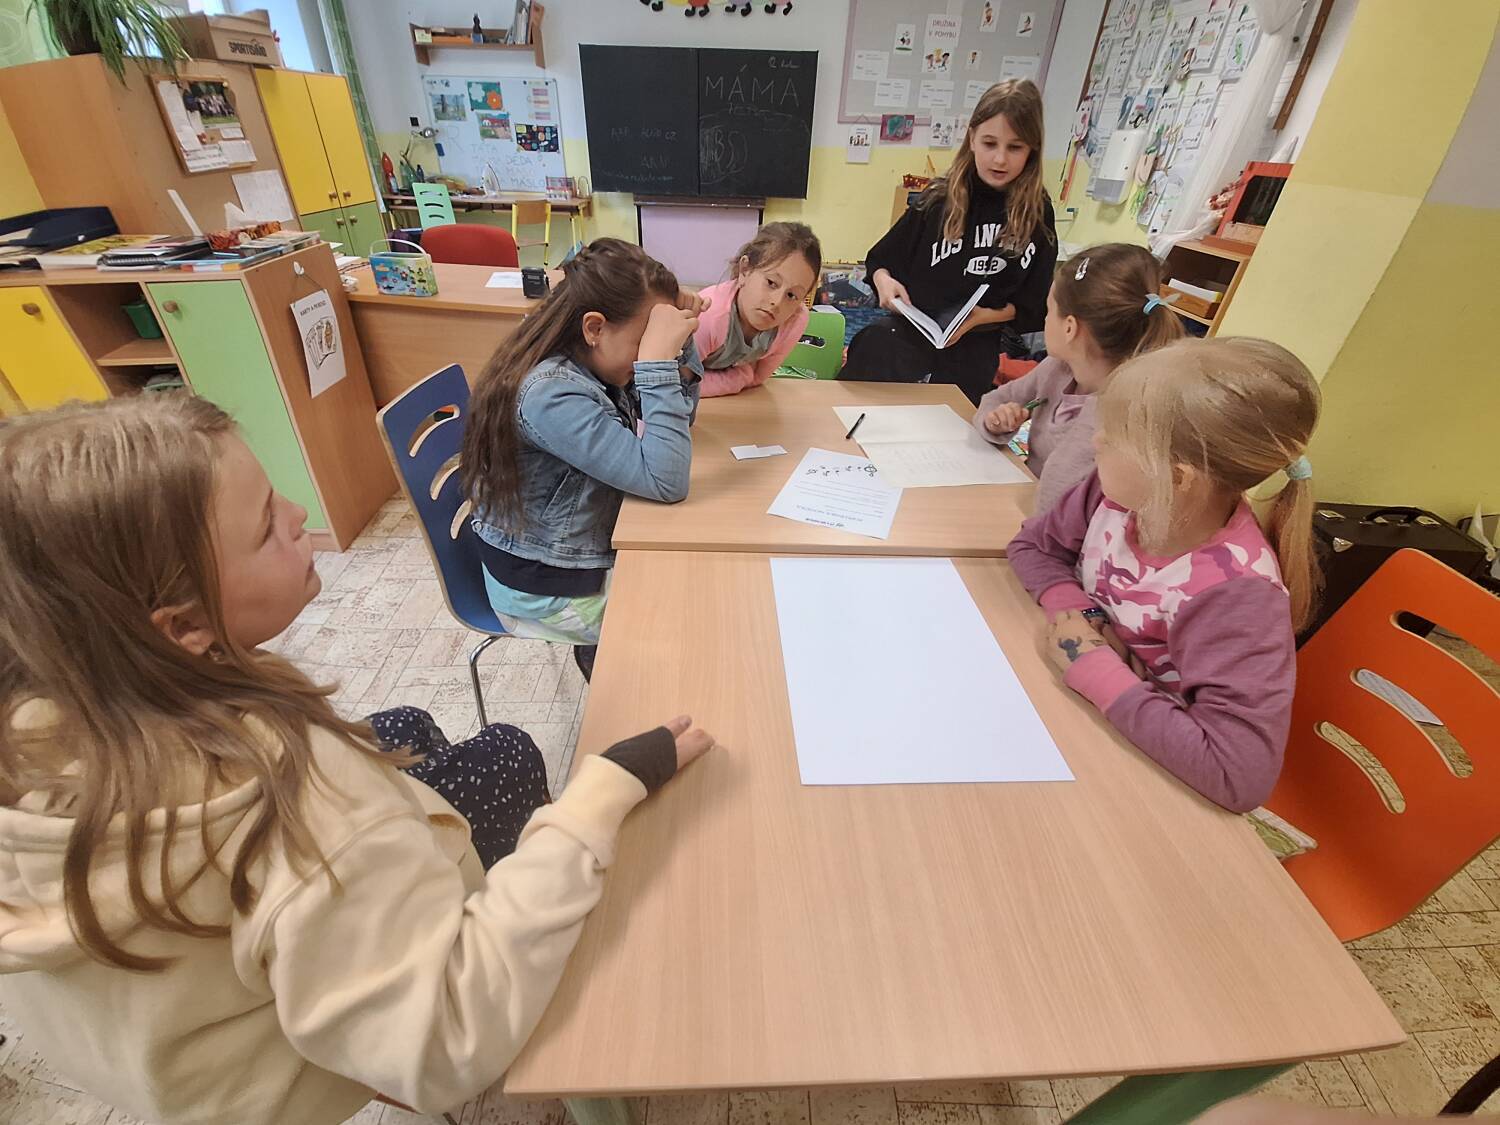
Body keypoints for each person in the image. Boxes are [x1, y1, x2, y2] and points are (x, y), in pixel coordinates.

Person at [0, 394, 718, 1125]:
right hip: (301, 1069)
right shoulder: (302, 796)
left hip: (170, 1044)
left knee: (405, 726)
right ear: (183, 626)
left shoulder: (48, 710)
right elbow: (444, 1041)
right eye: (265, 527)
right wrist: (599, 796)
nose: (297, 514)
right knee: (508, 751)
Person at [1007, 338, 1322, 813]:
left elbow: (1238, 776)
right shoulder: (1113, 497)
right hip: (1088, 719)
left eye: (1114, 437)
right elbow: (1034, 545)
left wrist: (1093, 667)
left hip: (1152, 773)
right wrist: (1083, 614)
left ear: (1177, 477)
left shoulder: (1237, 595)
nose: (1095, 442)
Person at [462, 238, 703, 676]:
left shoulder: (593, 360)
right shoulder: (551, 394)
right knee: (690, 621)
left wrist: (677, 345)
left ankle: (598, 652)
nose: (647, 354)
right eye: (643, 342)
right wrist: (656, 364)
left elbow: (680, 421)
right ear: (594, 328)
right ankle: (608, 670)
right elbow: (667, 480)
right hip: (543, 585)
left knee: (694, 577)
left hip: (572, 555)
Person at [839, 79, 1058, 404]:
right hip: (911, 330)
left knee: (956, 417)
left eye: (1015, 147)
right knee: (869, 368)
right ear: (972, 138)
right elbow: (882, 260)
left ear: (1032, 149)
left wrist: (982, 317)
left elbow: (1034, 303)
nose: (1000, 159)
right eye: (989, 143)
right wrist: (884, 282)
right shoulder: (939, 198)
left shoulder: (1037, 211)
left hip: (976, 341)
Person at [973, 242, 1183, 512]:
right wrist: (995, 423)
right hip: (1031, 501)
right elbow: (996, 398)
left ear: (1070, 328)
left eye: (1049, 311)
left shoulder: (1111, 412)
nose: (1045, 320)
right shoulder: (1057, 368)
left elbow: (1054, 498)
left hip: (1054, 523)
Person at [694, 221, 822, 397]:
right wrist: (738, 378)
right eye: (771, 283)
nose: (777, 302)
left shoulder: (795, 320)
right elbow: (675, 385)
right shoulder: (708, 315)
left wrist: (743, 377)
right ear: (745, 270)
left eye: (792, 295)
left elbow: (757, 378)